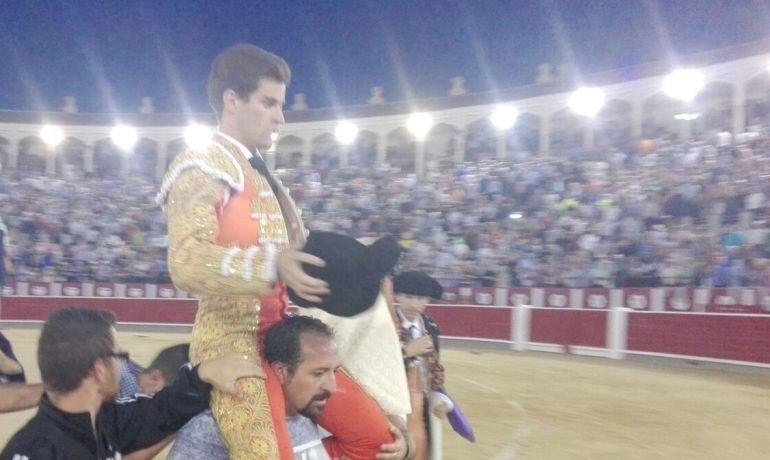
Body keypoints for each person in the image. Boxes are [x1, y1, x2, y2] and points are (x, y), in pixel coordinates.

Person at [157, 44, 395, 459]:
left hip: (288, 340)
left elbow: (297, 259)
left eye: (280, 105)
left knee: (380, 442)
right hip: (230, 344)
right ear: (232, 101)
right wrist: (271, 264)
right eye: (269, 103)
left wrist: (354, 265)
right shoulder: (201, 165)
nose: (280, 117)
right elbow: (185, 261)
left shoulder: (265, 176)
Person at [0, 307, 262, 460]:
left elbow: (161, 412)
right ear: (98, 370)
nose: (123, 367)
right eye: (120, 357)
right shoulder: (35, 451)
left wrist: (203, 373)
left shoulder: (100, 422)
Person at [167, 315, 408, 460]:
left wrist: (403, 446)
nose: (332, 386)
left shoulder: (306, 417)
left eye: (334, 371)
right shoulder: (218, 424)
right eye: (318, 373)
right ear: (281, 371)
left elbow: (376, 447)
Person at [393, 271, 452, 460]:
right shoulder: (388, 325)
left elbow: (435, 368)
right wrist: (406, 351)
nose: (414, 304)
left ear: (427, 300)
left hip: (422, 402)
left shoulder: (430, 327)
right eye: (408, 296)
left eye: (420, 298)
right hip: (394, 402)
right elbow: (375, 364)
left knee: (422, 447)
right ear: (397, 296)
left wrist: (438, 397)